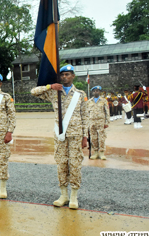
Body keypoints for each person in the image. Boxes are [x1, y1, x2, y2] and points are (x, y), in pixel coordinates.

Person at [31, 65, 88, 210]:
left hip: (75, 135)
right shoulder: (54, 92)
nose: (64, 77)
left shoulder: (80, 94)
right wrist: (50, 86)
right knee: (61, 164)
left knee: (75, 165)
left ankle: (74, 196)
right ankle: (63, 195)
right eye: (62, 75)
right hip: (60, 135)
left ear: (73, 76)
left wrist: (85, 136)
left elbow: (85, 116)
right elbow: (34, 92)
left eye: (67, 74)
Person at [87, 86, 109, 160]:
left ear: (100, 92)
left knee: (101, 138)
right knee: (93, 138)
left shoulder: (103, 101)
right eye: (94, 91)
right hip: (92, 121)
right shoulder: (89, 101)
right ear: (92, 92)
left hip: (101, 121)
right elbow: (87, 113)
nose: (95, 92)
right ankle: (95, 152)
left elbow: (107, 112)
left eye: (97, 91)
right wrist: (87, 124)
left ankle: (102, 152)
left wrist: (107, 122)